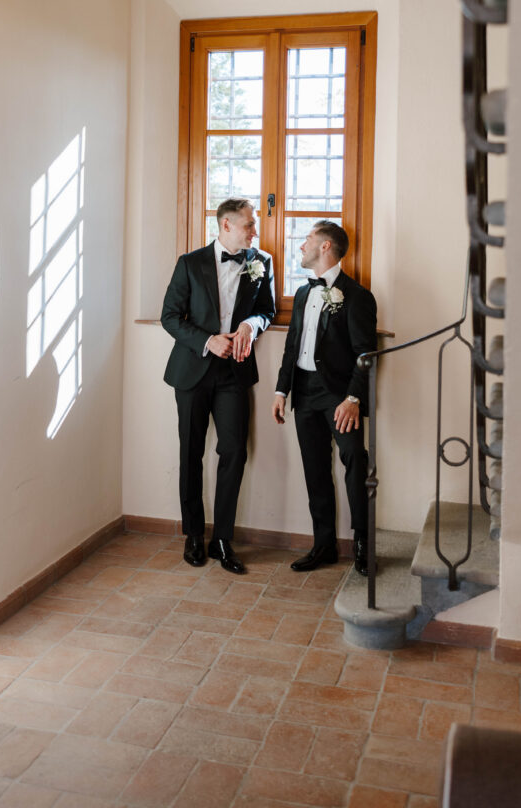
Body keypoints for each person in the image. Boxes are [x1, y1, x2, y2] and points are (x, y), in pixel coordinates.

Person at [161, 198, 275, 574]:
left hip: (234, 374)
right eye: (248, 225)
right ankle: (194, 534)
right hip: (192, 370)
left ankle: (222, 538)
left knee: (234, 453)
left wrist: (250, 326)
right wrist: (208, 340)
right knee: (190, 453)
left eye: (253, 225)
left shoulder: (261, 262)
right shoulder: (189, 263)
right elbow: (170, 317)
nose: (254, 231)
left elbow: (268, 310)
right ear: (226, 225)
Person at [272, 221, 377, 574]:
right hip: (303, 393)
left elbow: (366, 354)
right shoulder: (302, 294)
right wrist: (280, 390)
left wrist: (353, 399)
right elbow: (291, 348)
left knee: (355, 464)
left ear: (326, 246)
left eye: (308, 240)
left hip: (340, 396)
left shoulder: (358, 297)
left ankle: (363, 543)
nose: (302, 246)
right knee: (315, 470)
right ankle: (324, 545)